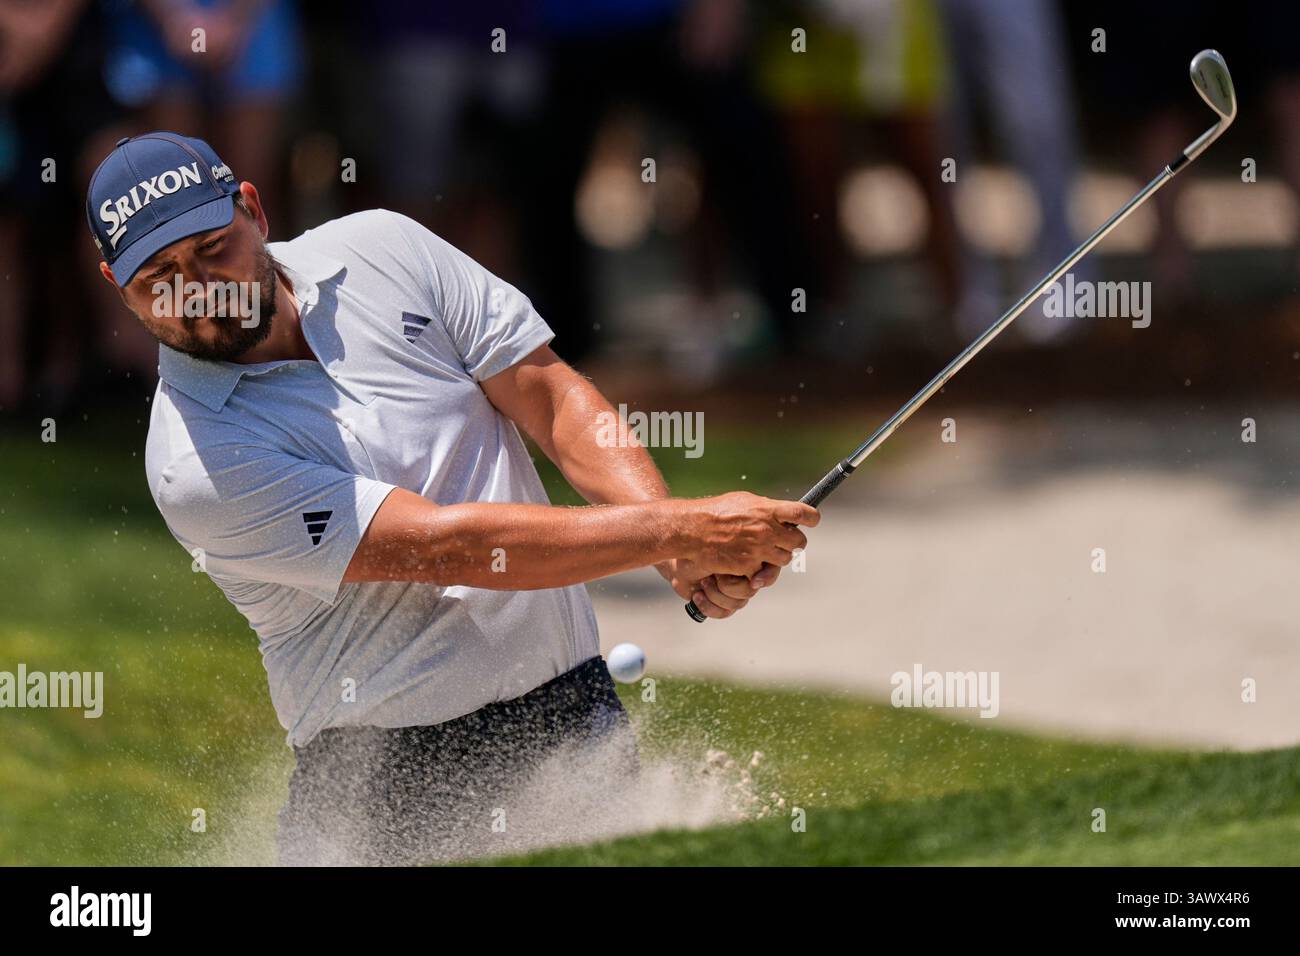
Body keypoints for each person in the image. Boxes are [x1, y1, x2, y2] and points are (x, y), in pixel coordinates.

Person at [86, 132, 819, 865]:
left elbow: (550, 396)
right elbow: (450, 548)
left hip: (574, 708)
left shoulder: (383, 249)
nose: (196, 287)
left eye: (212, 248)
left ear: (254, 209)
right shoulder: (195, 463)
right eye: (159, 276)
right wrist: (676, 531)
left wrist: (676, 549)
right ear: (116, 286)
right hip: (391, 786)